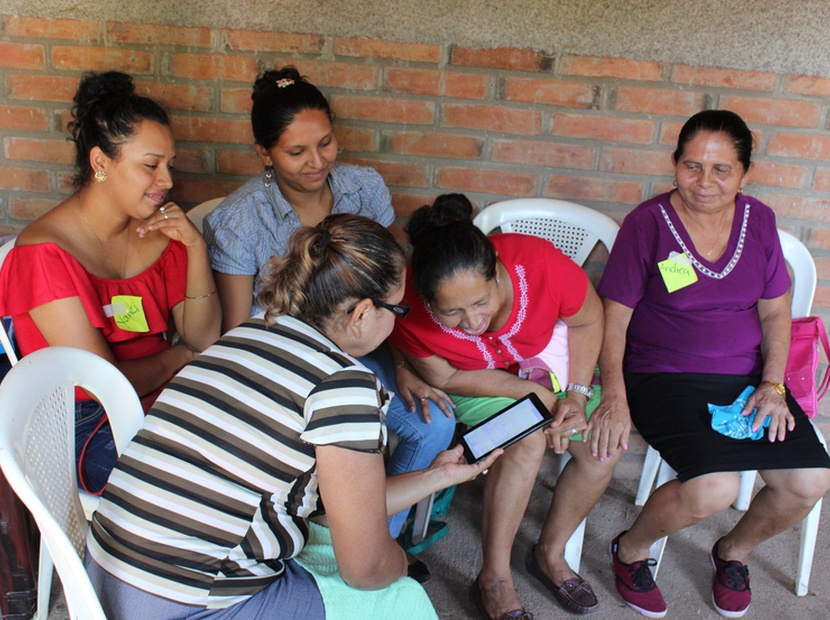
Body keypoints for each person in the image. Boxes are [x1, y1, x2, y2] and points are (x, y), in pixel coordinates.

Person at [85, 214, 499, 620]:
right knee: (401, 600)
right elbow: (366, 570)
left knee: (322, 540)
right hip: (188, 601)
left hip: (106, 575)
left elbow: (345, 504)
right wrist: (396, 566)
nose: (397, 322)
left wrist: (438, 476)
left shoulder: (249, 333)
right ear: (361, 314)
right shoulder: (343, 384)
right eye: (399, 310)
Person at [203, 65, 455, 540]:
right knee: (326, 443)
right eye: (296, 151)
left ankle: (374, 538)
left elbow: (386, 293)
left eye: (325, 143)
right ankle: (326, 537)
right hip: (281, 367)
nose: (317, 161)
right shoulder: (239, 219)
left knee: (434, 424)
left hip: (363, 349)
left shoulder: (364, 188)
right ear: (264, 152)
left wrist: (402, 366)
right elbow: (238, 331)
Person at [596, 109, 830, 619]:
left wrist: (773, 384)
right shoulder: (647, 225)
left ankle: (732, 552)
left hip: (749, 378)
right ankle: (630, 549)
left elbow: (775, 312)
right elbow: (614, 319)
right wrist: (613, 395)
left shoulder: (760, 222)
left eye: (721, 169)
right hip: (664, 375)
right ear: (675, 164)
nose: (704, 182)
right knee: (713, 487)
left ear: (746, 172)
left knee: (809, 481)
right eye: (691, 166)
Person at [390, 194, 617, 619]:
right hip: (472, 382)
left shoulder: (539, 265)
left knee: (603, 447)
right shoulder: (411, 308)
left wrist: (576, 394)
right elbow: (445, 377)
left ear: (496, 270)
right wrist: (527, 395)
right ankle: (493, 578)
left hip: (547, 366)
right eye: (453, 313)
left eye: (481, 303)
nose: (474, 322)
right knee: (525, 441)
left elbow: (588, 318)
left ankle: (549, 552)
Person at [0, 71, 221, 493]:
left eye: (168, 165)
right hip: (87, 424)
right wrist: (180, 358)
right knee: (207, 482)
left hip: (167, 396)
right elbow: (102, 384)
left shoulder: (161, 235)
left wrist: (195, 247)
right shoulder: (45, 253)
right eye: (150, 166)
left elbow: (203, 336)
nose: (168, 181)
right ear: (100, 163)